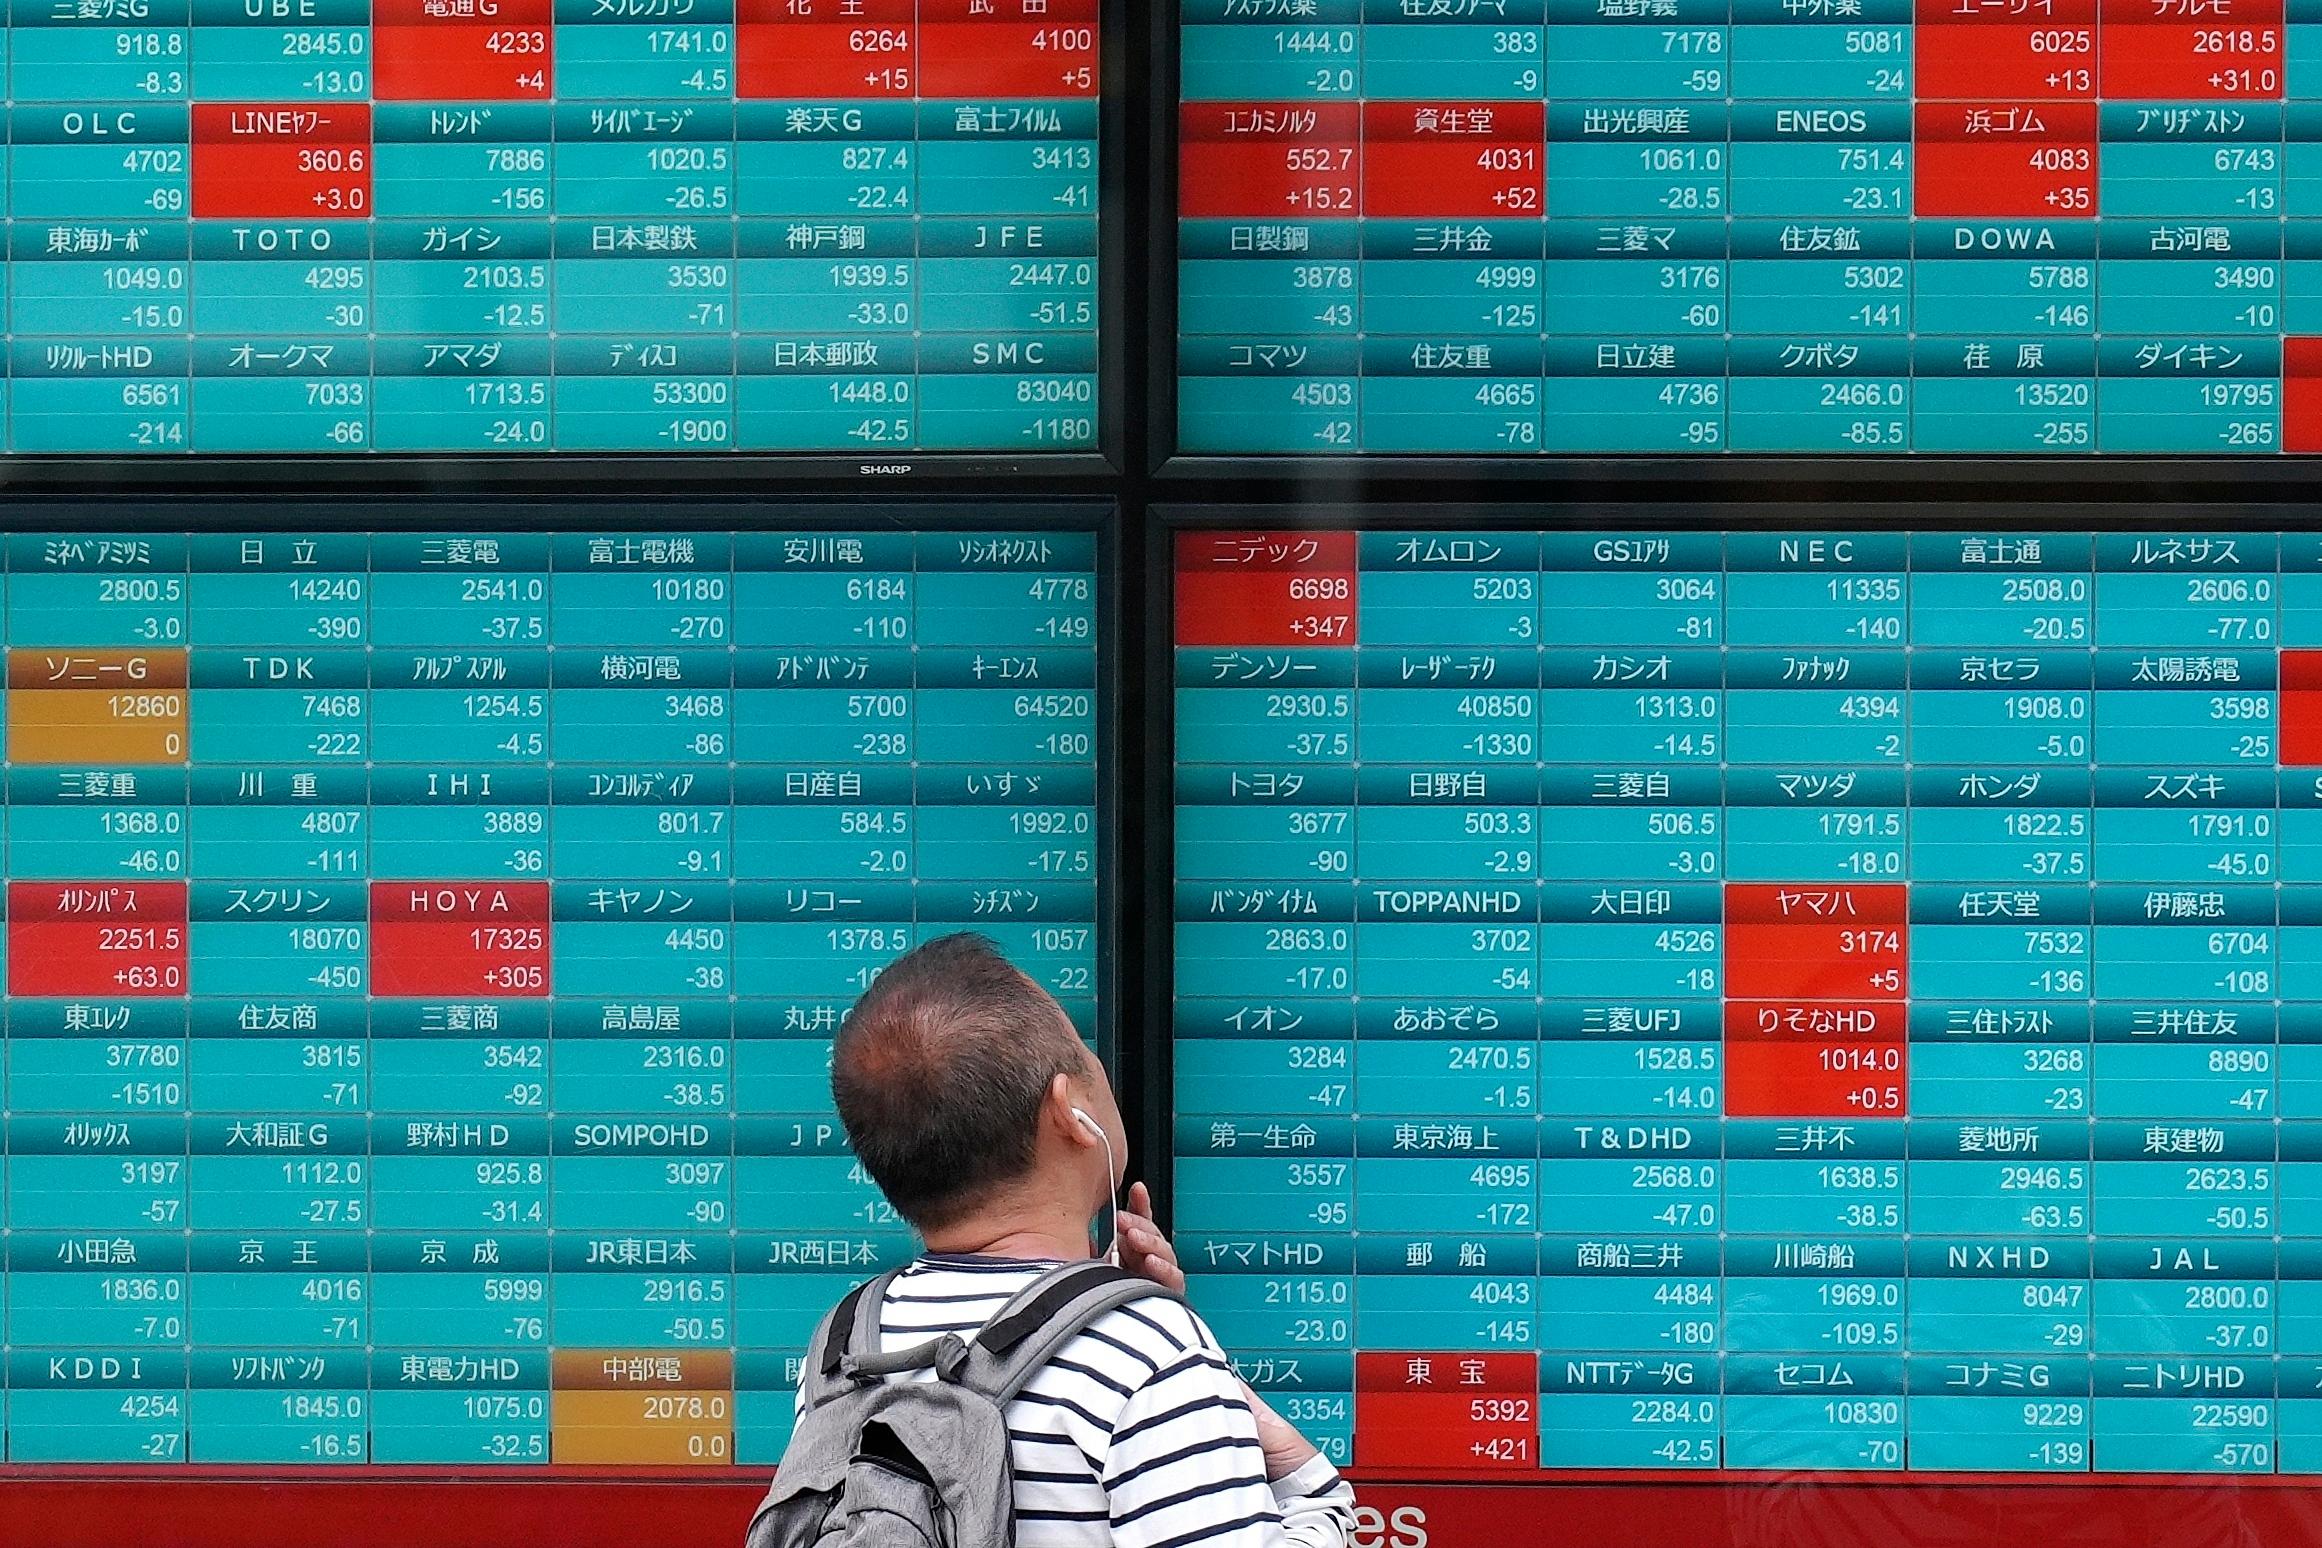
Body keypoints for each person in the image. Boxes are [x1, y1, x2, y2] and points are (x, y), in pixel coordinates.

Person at [815, 931, 1356, 1548]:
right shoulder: (1147, 1354)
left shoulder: (845, 1347)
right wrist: (1316, 1496)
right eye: (1082, 1050)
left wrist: (1092, 1302)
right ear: (1070, 1110)